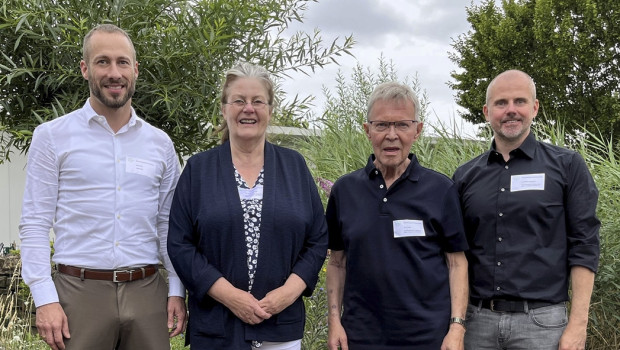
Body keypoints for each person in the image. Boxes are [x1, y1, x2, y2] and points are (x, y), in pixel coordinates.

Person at [19, 24, 186, 350]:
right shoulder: (52, 137)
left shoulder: (161, 144)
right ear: (85, 69)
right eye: (102, 62)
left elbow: (170, 225)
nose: (114, 72)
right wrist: (44, 298)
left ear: (135, 70)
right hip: (78, 294)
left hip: (147, 292)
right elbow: (36, 222)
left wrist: (177, 290)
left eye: (123, 62)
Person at [166, 61, 328, 350]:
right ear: (224, 108)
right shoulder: (198, 170)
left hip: (280, 327)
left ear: (270, 109)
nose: (248, 109)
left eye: (257, 101)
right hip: (217, 326)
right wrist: (230, 296)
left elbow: (317, 239)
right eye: (238, 101)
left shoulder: (295, 167)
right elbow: (180, 244)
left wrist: (288, 293)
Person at [452, 70, 600, 350]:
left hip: (543, 325)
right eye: (501, 103)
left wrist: (578, 325)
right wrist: (456, 324)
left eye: (519, 101)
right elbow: (455, 255)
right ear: (486, 112)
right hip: (477, 323)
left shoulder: (567, 166)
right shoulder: (464, 176)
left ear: (534, 108)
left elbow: (585, 245)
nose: (511, 111)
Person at [326, 82, 469, 350]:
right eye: (381, 125)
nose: (391, 135)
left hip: (428, 338)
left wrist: (457, 327)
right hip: (360, 338)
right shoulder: (345, 191)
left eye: (402, 125)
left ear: (417, 130)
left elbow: (456, 264)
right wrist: (334, 321)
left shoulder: (440, 190)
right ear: (368, 131)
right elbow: (336, 263)